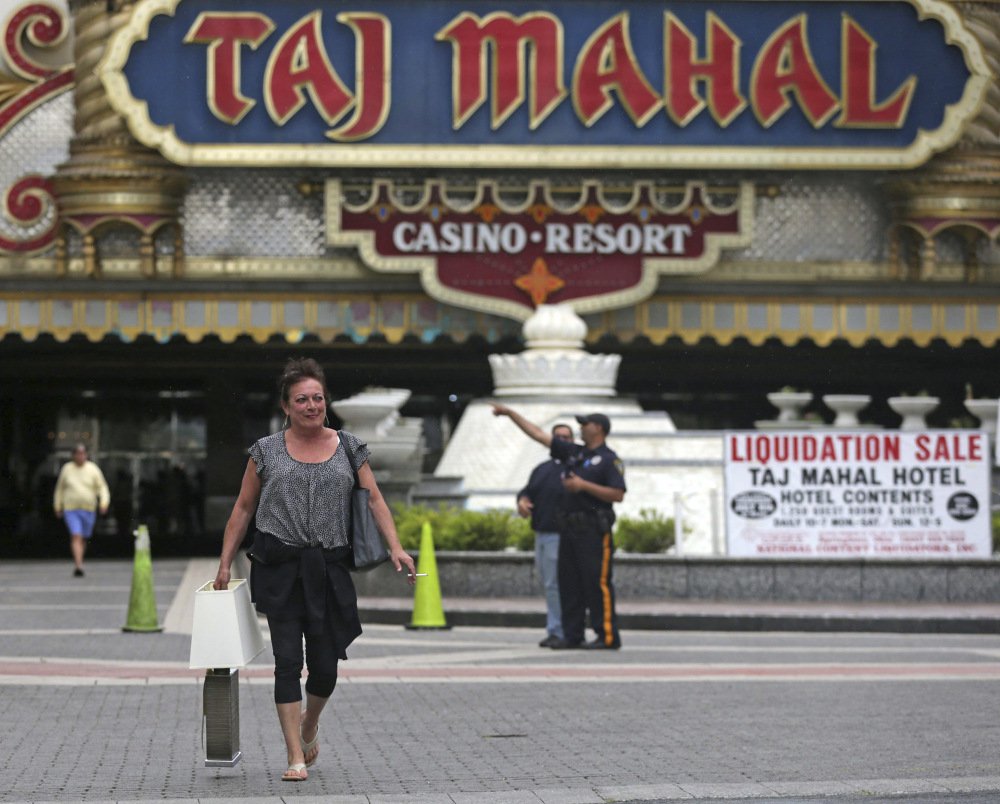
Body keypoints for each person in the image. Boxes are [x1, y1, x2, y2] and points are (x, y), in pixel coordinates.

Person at [213, 357, 415, 783]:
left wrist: (395, 547)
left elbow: (374, 499)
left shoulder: (349, 447)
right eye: (302, 399)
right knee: (287, 661)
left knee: (325, 665)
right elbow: (244, 507)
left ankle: (309, 724)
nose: (311, 406)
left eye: (318, 398)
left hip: (328, 568)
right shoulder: (264, 451)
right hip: (280, 567)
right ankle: (294, 756)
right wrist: (224, 562)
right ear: (286, 406)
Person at [493, 405, 625, 649]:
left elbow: (617, 494)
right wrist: (511, 414)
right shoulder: (575, 454)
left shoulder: (608, 459)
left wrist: (583, 486)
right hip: (568, 529)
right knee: (569, 584)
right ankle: (572, 635)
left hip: (593, 530)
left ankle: (606, 635)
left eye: (585, 424)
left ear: (598, 429)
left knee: (597, 583)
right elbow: (538, 435)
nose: (581, 428)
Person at [517, 423, 574, 648]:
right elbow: (528, 491)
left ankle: (559, 630)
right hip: (541, 533)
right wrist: (522, 502)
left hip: (561, 535)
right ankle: (556, 629)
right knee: (549, 584)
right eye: (557, 437)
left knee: (555, 585)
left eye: (566, 437)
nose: (561, 441)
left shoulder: (576, 465)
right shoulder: (542, 469)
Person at [53, 443, 110, 578]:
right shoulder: (67, 469)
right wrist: (57, 505)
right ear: (73, 456)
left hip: (88, 509)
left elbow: (102, 487)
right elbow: (60, 489)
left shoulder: (93, 469)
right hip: (71, 508)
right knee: (76, 535)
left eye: (83, 453)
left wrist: (104, 502)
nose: (80, 456)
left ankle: (80, 559)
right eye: (78, 454)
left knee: (83, 537)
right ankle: (78, 565)